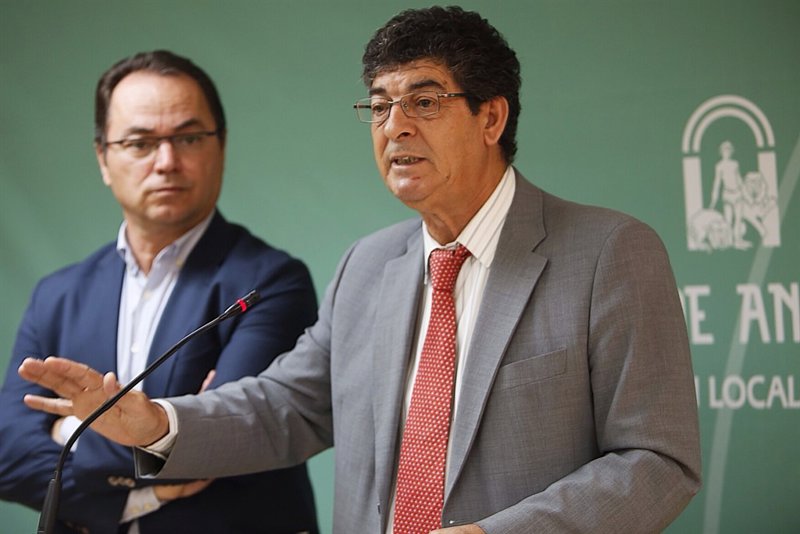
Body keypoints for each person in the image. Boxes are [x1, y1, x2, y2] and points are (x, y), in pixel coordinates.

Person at [17, 8, 701, 534]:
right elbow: (287, 408)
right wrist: (152, 423)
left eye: (424, 102)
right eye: (379, 105)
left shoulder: (609, 253)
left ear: (491, 117)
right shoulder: (368, 265)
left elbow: (657, 461)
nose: (394, 126)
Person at [0, 50, 320, 534]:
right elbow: (8, 455)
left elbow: (225, 441)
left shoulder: (271, 284)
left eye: (188, 138)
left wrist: (67, 432)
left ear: (221, 145)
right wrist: (143, 487)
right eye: (140, 143)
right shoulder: (58, 295)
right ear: (103, 158)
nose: (167, 162)